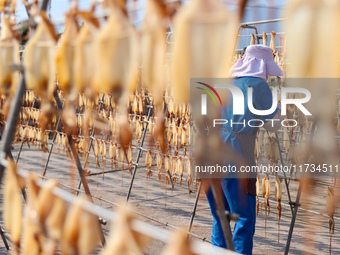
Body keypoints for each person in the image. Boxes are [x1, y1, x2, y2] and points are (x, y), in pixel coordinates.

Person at [206, 44, 284, 254]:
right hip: (237, 152)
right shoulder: (258, 86)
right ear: (262, 66)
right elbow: (274, 124)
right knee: (244, 216)